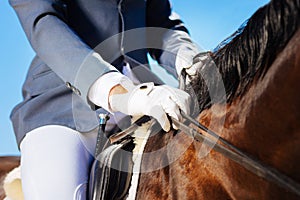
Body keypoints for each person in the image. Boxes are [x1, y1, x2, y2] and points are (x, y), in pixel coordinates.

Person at [9, 0, 204, 199]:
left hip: (146, 101)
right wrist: (118, 92)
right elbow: (45, 25)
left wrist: (193, 62)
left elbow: (161, 26)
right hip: (62, 106)